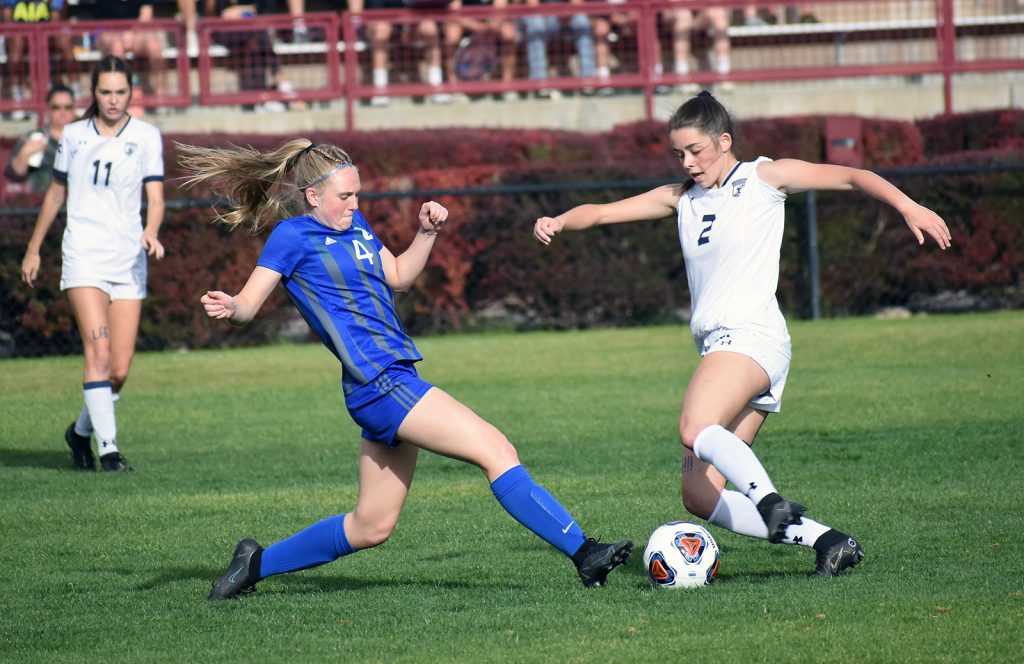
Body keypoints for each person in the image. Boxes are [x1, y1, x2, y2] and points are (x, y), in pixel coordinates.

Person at [178, 138, 633, 599]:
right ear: (312, 196)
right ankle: (585, 553)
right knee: (496, 449)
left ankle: (254, 563)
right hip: (380, 383)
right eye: (344, 196)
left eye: (357, 194)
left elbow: (399, 277)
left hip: (388, 383)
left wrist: (426, 233)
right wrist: (230, 304)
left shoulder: (356, 228)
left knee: (371, 526)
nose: (354, 205)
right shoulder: (292, 236)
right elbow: (249, 304)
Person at [533, 91, 952, 578]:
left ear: (724, 141)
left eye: (697, 151)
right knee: (699, 494)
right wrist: (560, 220)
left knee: (693, 427)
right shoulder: (682, 198)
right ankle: (830, 542)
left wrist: (909, 206)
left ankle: (769, 498)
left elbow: (851, 175)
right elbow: (603, 212)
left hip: (749, 336)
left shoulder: (761, 178)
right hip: (728, 347)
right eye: (679, 154)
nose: (688, 162)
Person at [19, 55, 166, 473]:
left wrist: (151, 231)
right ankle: (110, 452)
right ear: (94, 93)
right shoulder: (73, 135)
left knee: (117, 370)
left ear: (131, 92)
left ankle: (79, 432)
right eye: (106, 92)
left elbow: (155, 198)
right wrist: (34, 248)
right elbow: (55, 195)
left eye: (121, 92)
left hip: (128, 258)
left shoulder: (147, 136)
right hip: (83, 253)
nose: (114, 99)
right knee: (98, 355)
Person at [4, 84, 77, 193]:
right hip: (41, 202)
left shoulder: (84, 138)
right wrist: (24, 154)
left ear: (74, 108)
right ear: (48, 109)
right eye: (56, 107)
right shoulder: (35, 137)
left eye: (67, 107)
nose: (62, 112)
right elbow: (14, 175)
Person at [93, 0, 167, 103]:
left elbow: (146, 15)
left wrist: (132, 32)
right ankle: (121, 96)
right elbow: (103, 21)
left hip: (136, 31)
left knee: (154, 46)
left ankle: (161, 97)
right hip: (107, 31)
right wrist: (122, 34)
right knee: (117, 47)